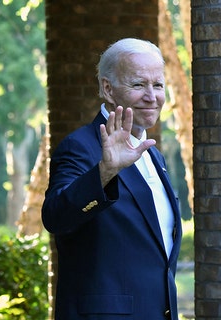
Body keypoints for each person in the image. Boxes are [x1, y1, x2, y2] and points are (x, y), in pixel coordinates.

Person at [42, 38, 182, 319]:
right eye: (139, 84)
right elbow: (55, 217)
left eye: (158, 85)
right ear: (108, 88)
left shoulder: (155, 156)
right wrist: (105, 171)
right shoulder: (81, 146)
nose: (151, 96)